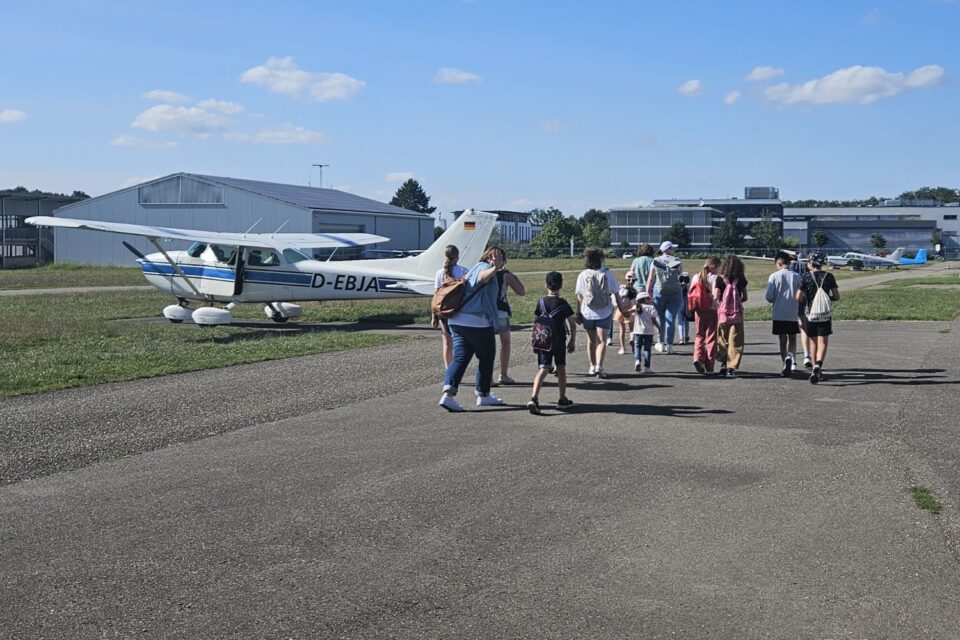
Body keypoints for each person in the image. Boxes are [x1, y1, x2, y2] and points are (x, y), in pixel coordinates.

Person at [438, 247, 505, 412]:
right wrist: (494, 268)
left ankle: (448, 395)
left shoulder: (474, 267)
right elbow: (481, 279)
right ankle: (483, 394)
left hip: (457, 320)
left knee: (460, 357)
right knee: (487, 357)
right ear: (493, 258)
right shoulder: (483, 268)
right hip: (477, 322)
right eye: (502, 258)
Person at [527, 271, 577, 415]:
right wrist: (572, 340)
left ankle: (534, 398)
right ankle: (562, 398)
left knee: (543, 368)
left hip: (543, 340)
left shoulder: (541, 302)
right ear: (561, 285)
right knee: (560, 368)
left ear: (546, 285)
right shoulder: (563, 304)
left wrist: (534, 337)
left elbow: (536, 320)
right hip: (559, 340)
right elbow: (572, 323)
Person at [576, 247, 629, 378]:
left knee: (590, 340)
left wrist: (578, 313)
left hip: (587, 311)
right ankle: (600, 366)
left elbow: (579, 296)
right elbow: (616, 293)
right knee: (602, 341)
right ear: (601, 259)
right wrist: (622, 309)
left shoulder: (583, 274)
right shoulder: (607, 273)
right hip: (604, 311)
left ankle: (592, 366)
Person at [796, 252, 840, 384]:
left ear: (811, 263)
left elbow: (798, 297)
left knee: (814, 342)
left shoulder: (805, 277)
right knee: (823, 341)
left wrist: (807, 300)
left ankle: (816, 369)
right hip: (824, 314)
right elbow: (837, 296)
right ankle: (818, 366)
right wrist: (827, 299)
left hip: (811, 314)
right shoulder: (829, 276)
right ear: (822, 263)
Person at [765, 251, 803, 377]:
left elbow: (769, 296)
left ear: (779, 263)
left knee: (782, 339)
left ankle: (784, 362)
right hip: (793, 312)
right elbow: (801, 295)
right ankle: (791, 357)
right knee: (792, 338)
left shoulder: (774, 276)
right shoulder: (797, 276)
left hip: (779, 313)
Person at [432, 244, 469, 368]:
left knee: (447, 342)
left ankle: (449, 369)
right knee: (459, 342)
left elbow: (436, 294)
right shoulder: (464, 271)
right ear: (458, 257)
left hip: (443, 311)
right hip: (459, 310)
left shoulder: (439, 273)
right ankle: (457, 368)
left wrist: (434, 315)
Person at [492, 248, 526, 385]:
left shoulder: (482, 272)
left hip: (486, 313)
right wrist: (512, 274)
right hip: (501, 312)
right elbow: (521, 291)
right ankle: (503, 374)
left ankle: (488, 376)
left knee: (488, 347)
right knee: (505, 343)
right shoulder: (505, 275)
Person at [645, 241, 684, 354]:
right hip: (675, 293)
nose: (674, 250)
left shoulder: (656, 261)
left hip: (659, 292)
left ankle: (660, 343)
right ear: (668, 249)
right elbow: (680, 276)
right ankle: (670, 346)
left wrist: (648, 293)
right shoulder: (677, 261)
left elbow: (651, 279)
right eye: (672, 248)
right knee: (671, 319)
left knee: (660, 318)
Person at [713, 255, 748, 378]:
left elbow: (716, 296)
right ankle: (731, 367)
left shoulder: (720, 279)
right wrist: (737, 301)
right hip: (737, 314)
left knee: (722, 340)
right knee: (736, 341)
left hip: (723, 314)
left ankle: (723, 364)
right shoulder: (741, 279)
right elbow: (745, 297)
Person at [690, 256, 720, 374]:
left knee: (699, 335)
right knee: (711, 337)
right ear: (713, 266)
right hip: (712, 310)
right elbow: (716, 294)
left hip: (698, 310)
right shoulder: (716, 278)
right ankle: (709, 364)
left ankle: (697, 357)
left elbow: (691, 292)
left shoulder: (696, 277)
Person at [788, 251, 814, 369]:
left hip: (790, 302)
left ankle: (792, 360)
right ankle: (806, 355)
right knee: (804, 329)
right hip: (803, 302)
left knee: (791, 335)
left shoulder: (790, 268)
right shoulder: (804, 268)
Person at [632, 291, 660, 373]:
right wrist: (659, 328)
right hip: (648, 332)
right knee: (647, 349)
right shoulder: (651, 308)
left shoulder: (637, 307)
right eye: (648, 298)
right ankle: (647, 367)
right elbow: (654, 320)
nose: (650, 299)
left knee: (637, 346)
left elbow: (630, 312)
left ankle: (637, 361)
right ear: (645, 299)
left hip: (637, 331)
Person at [614, 271, 638, 354]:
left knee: (622, 329)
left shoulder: (621, 288)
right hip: (629, 310)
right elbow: (634, 303)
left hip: (620, 310)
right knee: (632, 329)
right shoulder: (633, 291)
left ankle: (622, 347)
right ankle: (632, 340)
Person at [678, 272, 691, 344]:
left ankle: (681, 337)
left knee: (680, 321)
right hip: (687, 302)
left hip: (680, 302)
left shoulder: (679, 285)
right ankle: (686, 336)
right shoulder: (689, 285)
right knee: (686, 320)